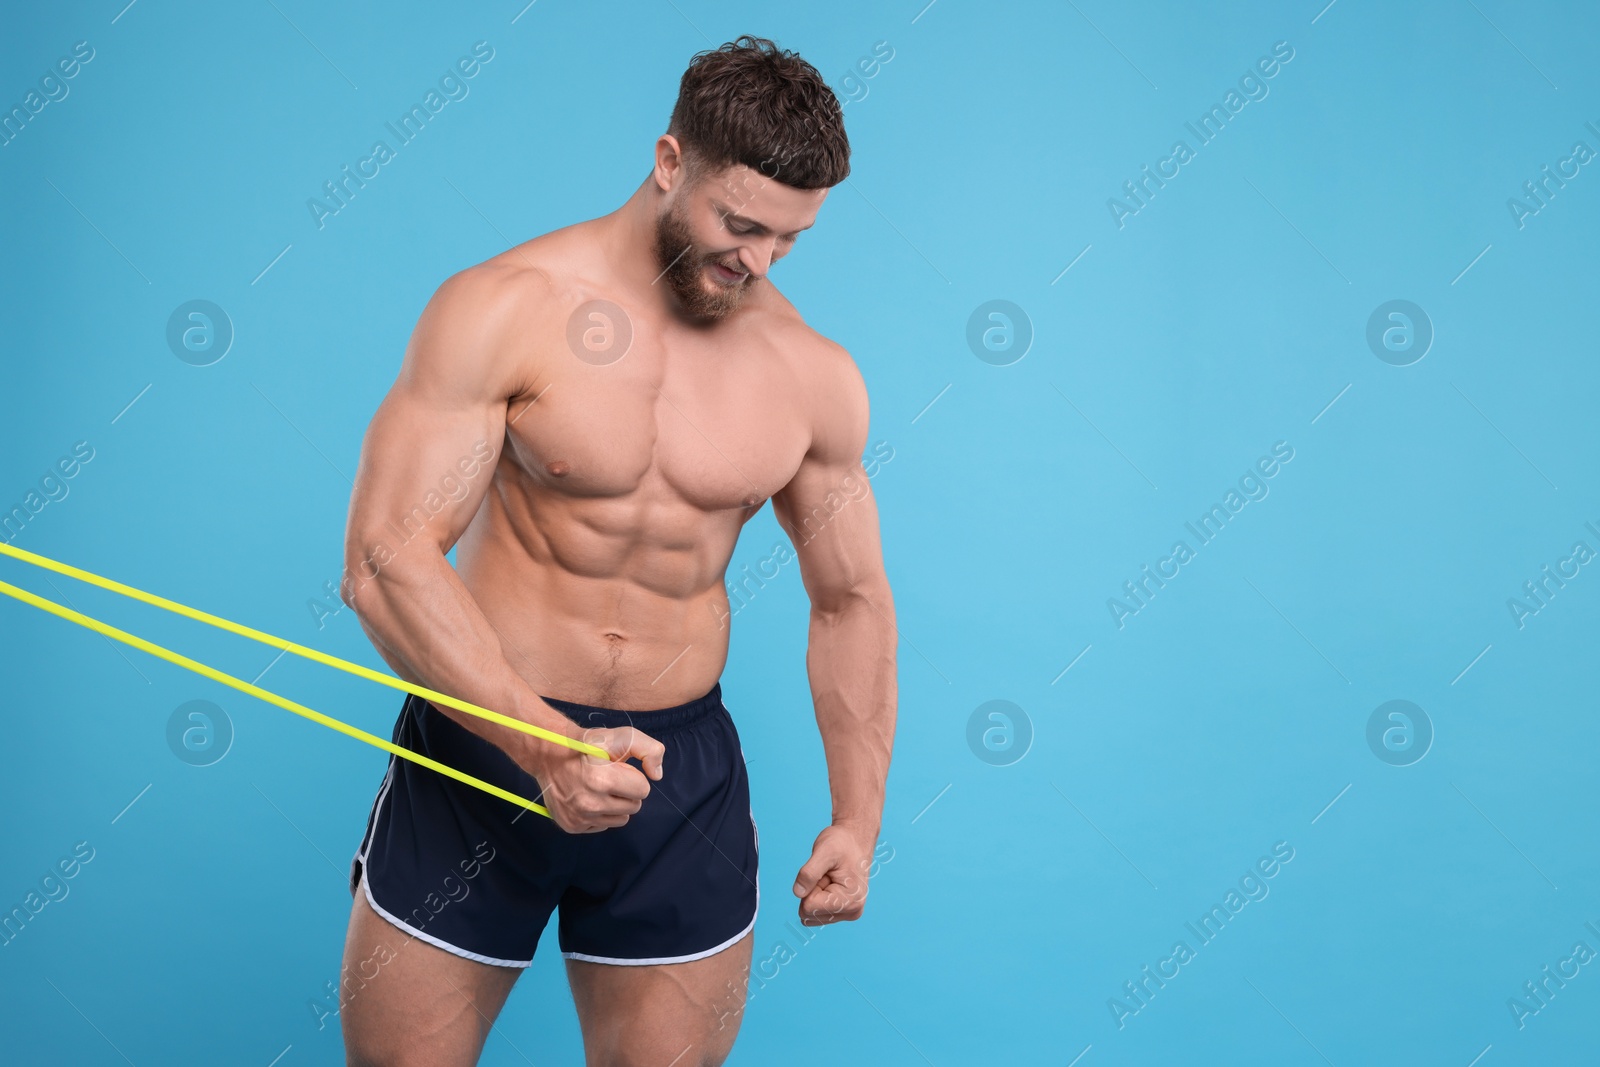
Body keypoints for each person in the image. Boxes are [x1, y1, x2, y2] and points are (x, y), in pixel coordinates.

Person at [336, 35, 897, 1067]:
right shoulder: (506, 307)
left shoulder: (809, 374)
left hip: (677, 783)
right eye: (740, 224)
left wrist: (856, 820)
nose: (758, 262)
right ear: (669, 161)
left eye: (789, 239)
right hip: (481, 755)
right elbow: (385, 557)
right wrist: (542, 743)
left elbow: (848, 599)